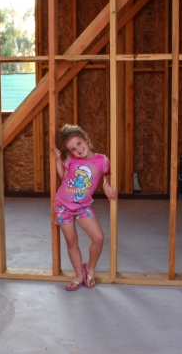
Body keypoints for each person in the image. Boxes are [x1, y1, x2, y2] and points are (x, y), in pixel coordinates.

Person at [51, 124, 118, 291]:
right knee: (71, 241)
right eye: (73, 149)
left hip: (82, 207)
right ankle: (79, 276)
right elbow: (64, 177)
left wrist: (106, 185)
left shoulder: (102, 160)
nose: (78, 150)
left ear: (86, 140)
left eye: (79, 144)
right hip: (62, 205)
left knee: (98, 238)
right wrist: (59, 160)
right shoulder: (71, 160)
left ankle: (90, 270)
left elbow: (107, 174)